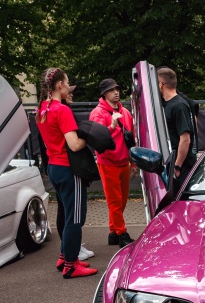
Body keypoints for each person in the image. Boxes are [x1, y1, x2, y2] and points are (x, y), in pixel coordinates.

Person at [37, 68, 98, 278]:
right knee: (75, 218)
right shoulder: (61, 110)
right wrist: (90, 135)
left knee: (65, 213)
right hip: (69, 169)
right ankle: (71, 266)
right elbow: (74, 144)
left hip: (54, 167)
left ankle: (65, 256)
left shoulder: (41, 109)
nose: (68, 87)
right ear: (60, 85)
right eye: (67, 82)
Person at [90, 78, 134, 247]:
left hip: (123, 162)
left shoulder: (126, 112)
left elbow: (131, 139)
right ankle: (122, 234)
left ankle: (113, 232)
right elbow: (96, 140)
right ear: (104, 94)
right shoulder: (98, 113)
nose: (116, 92)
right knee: (114, 202)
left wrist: (133, 163)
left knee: (121, 201)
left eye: (117, 89)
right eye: (111, 90)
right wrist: (112, 126)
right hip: (108, 163)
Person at [157, 66, 197, 193]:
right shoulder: (166, 105)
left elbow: (185, 139)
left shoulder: (179, 106)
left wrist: (177, 166)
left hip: (181, 168)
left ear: (160, 84)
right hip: (171, 164)